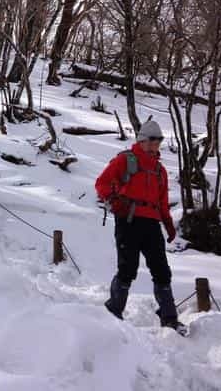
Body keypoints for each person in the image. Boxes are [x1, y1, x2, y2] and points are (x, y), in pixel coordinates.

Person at [95, 120, 187, 335]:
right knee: (128, 268)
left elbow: (162, 202)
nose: (157, 145)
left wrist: (169, 226)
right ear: (143, 140)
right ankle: (113, 311)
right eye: (153, 140)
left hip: (152, 223)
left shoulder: (159, 170)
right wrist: (114, 200)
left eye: (159, 141)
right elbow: (102, 183)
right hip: (128, 220)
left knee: (162, 270)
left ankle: (169, 318)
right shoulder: (125, 160)